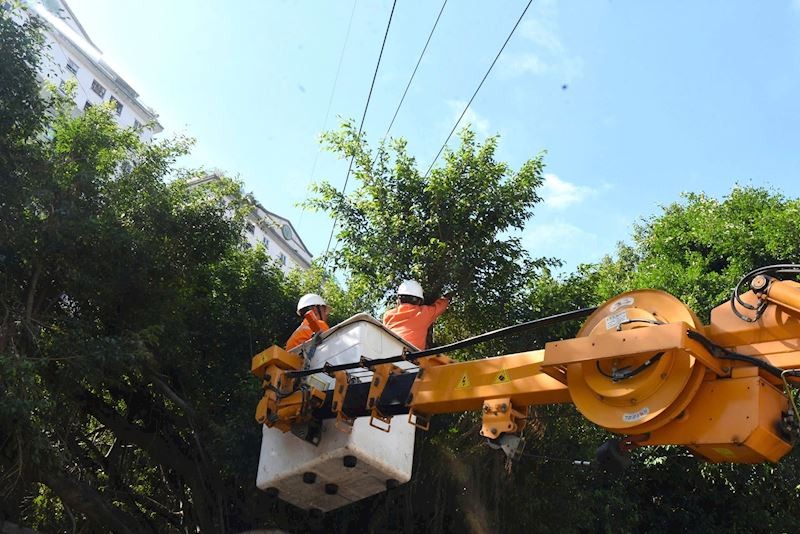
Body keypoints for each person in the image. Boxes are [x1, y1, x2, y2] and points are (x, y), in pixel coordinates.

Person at [383, 280, 449, 350]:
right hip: (412, 357)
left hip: (389, 354)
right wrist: (447, 297)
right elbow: (442, 305)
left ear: (399, 300)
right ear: (419, 301)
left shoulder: (388, 315)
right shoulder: (424, 313)